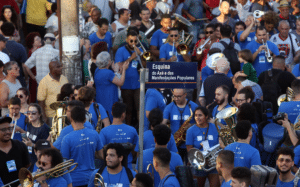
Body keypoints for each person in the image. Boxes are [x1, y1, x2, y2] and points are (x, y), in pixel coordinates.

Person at [61, 106, 103, 187]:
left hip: (74, 181)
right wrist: (89, 152)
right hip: (91, 179)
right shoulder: (95, 134)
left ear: (71, 119)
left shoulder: (66, 139)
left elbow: (64, 165)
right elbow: (101, 155)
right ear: (84, 120)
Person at [186, 106, 220, 187]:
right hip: (199, 165)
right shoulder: (190, 131)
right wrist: (203, 160)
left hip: (213, 164)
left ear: (206, 116)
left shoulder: (215, 127)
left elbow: (220, 145)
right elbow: (189, 149)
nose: (197, 118)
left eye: (200, 115)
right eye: (196, 115)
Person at [115, 30, 143, 125]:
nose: (133, 43)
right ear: (127, 40)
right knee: (128, 110)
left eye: (136, 41)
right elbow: (118, 67)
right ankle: (128, 129)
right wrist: (131, 57)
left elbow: (145, 65)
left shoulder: (140, 50)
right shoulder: (121, 50)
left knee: (140, 108)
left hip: (139, 84)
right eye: (131, 41)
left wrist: (141, 56)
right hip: (126, 84)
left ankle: (141, 132)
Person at [162, 88, 198, 161]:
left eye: (179, 96)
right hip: (175, 143)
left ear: (185, 95)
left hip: (190, 143)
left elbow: (201, 123)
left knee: (190, 167)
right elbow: (163, 123)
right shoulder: (169, 107)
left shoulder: (193, 106)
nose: (176, 98)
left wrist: (191, 126)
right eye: (174, 96)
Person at [100, 102, 138, 169]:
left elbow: (101, 151)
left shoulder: (104, 131)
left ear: (112, 113)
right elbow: (136, 150)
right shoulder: (132, 130)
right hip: (127, 168)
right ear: (123, 114)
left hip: (110, 168)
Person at [94, 52, 129, 122]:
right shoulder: (109, 73)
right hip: (110, 101)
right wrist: (124, 69)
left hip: (100, 100)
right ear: (108, 62)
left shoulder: (97, 70)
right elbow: (121, 83)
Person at [0, 116, 31, 187]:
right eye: (4, 130)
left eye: (9, 129)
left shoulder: (20, 145)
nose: (8, 132)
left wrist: (24, 184)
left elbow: (27, 167)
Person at [37, 60, 68, 125]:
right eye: (58, 67)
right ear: (52, 69)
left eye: (61, 66)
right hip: (51, 116)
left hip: (65, 115)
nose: (61, 68)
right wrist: (44, 117)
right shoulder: (44, 82)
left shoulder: (64, 79)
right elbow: (41, 102)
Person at [1, 22, 27, 87]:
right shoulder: (20, 47)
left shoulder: (1, 46)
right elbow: (24, 65)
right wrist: (26, 78)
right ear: (13, 32)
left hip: (3, 80)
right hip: (18, 79)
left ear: (2, 32)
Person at [25, 32, 42, 103]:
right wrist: (32, 76)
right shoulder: (31, 52)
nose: (39, 40)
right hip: (35, 77)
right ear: (32, 43)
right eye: (37, 39)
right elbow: (26, 66)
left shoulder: (40, 49)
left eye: (39, 38)